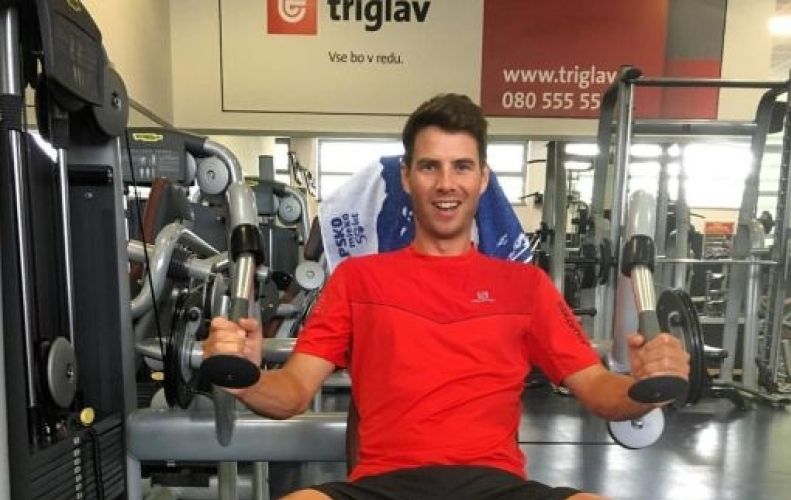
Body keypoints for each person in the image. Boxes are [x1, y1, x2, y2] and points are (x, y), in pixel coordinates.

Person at [203, 94, 690, 500]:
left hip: (494, 485)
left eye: (461, 166)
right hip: (385, 485)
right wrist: (246, 378)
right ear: (406, 177)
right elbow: (292, 393)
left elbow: (600, 391)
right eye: (429, 166)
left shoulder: (526, 286)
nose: (446, 183)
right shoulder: (357, 280)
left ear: (483, 178)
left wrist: (647, 385)